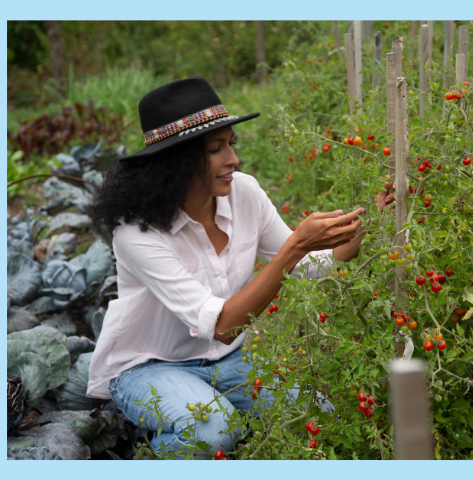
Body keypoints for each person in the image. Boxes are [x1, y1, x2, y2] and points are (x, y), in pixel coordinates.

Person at [86, 76, 365, 457]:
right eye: (216, 149)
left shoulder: (244, 192)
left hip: (229, 359)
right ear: (177, 163)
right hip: (148, 366)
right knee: (213, 429)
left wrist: (362, 227)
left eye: (230, 143)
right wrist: (297, 244)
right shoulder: (137, 233)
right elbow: (223, 325)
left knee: (318, 415)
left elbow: (308, 267)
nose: (233, 159)